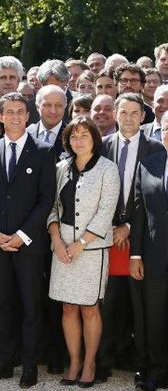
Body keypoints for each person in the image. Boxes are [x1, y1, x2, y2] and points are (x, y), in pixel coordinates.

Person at [0, 92, 56, 388]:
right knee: (1, 305)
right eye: (8, 111)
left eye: (19, 111)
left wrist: (22, 236)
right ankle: (4, 361)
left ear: (28, 115)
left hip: (29, 245)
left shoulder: (45, 151)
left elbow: (46, 199)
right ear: (0, 115)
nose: (13, 116)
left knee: (31, 307)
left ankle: (30, 366)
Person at [47, 116, 120, 387]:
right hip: (62, 245)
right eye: (74, 136)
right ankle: (74, 362)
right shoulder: (60, 168)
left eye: (84, 135)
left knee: (89, 307)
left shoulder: (107, 169)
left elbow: (106, 211)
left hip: (91, 248)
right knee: (67, 307)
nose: (78, 140)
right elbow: (52, 207)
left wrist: (81, 243)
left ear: (94, 139)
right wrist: (56, 238)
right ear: (68, 140)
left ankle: (90, 363)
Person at [97, 93, 163, 386]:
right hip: (106, 235)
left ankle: (139, 361)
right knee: (107, 302)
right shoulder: (103, 146)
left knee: (140, 307)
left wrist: (127, 227)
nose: (128, 118)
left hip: (138, 239)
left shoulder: (155, 148)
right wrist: (111, 226)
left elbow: (147, 197)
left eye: (134, 113)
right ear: (116, 115)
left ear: (143, 117)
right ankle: (104, 359)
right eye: (123, 112)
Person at [129, 113, 168, 391]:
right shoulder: (149, 163)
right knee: (155, 319)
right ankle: (157, 372)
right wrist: (136, 255)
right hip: (155, 258)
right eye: (167, 128)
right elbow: (139, 212)